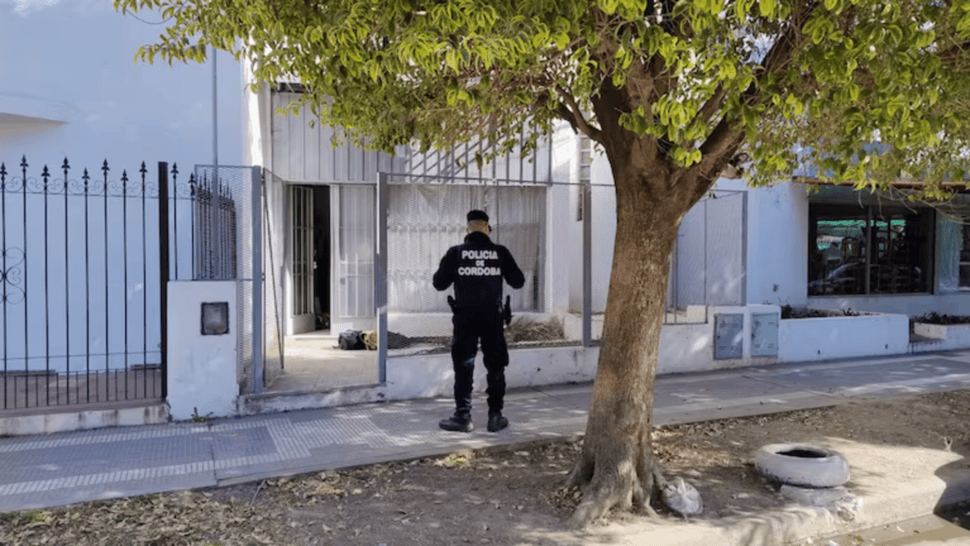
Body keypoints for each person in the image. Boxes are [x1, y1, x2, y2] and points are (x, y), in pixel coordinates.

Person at [433, 210, 525, 433]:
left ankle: (463, 417)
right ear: (486, 226)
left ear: (468, 228)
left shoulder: (456, 253)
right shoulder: (499, 252)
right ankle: (495, 416)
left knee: (464, 365)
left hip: (465, 318)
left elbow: (439, 283)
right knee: (496, 366)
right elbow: (518, 281)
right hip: (493, 319)